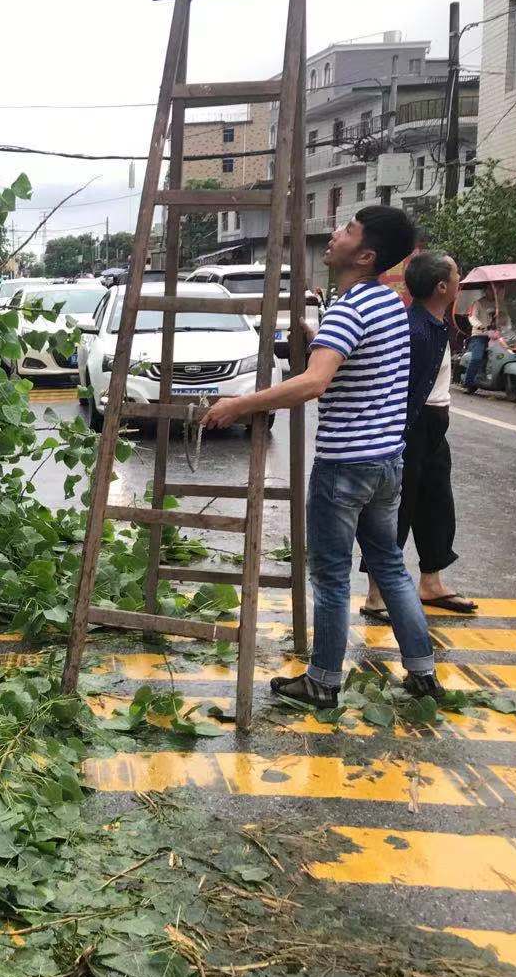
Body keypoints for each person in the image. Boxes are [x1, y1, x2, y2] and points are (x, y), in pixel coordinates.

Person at [200, 207, 441, 708]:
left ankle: (323, 681)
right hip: (385, 462)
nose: (334, 235)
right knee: (392, 568)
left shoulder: (351, 309)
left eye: (347, 230)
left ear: (366, 255)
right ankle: (422, 672)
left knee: (330, 576)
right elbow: (356, 361)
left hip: (345, 465)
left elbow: (314, 383)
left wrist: (237, 406)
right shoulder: (387, 304)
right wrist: (317, 339)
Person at [360, 251, 476, 619]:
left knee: (437, 503)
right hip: (411, 428)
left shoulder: (439, 323)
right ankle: (376, 594)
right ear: (442, 287)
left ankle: (431, 582)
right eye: (457, 274)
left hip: (435, 427)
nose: (461, 279)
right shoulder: (414, 329)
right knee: (397, 507)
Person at [462, 300, 498, 393]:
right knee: (477, 358)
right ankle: (468, 383)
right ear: (486, 289)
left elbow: (506, 318)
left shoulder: (500, 303)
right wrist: (480, 326)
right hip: (479, 335)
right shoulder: (478, 303)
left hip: (496, 336)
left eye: (501, 288)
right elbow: (472, 317)